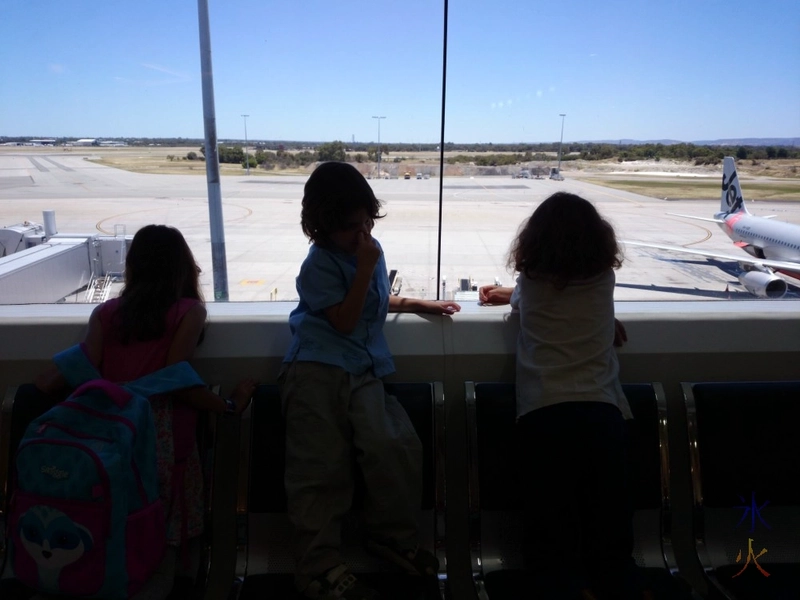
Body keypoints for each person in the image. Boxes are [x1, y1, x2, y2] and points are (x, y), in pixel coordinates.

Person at [33, 224, 257, 600]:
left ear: (133, 266)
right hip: (162, 441)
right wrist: (230, 404)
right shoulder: (189, 312)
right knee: (159, 533)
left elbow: (66, 372)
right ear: (182, 268)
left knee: (115, 519)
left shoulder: (106, 313)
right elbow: (177, 380)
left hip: (112, 438)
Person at [281, 161, 460, 600]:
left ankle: (390, 537)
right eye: (349, 228)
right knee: (320, 469)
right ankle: (318, 565)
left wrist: (418, 302)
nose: (361, 235)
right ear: (321, 227)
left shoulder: (365, 250)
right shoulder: (320, 264)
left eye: (366, 223)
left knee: (394, 447)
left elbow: (371, 300)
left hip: (362, 369)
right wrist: (364, 266)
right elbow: (343, 319)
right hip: (316, 373)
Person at [479, 192, 645, 600]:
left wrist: (500, 293)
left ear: (534, 242)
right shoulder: (604, 280)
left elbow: (524, 299)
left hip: (544, 416)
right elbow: (579, 305)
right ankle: (623, 586)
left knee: (552, 530)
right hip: (603, 416)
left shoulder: (531, 283)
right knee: (610, 530)